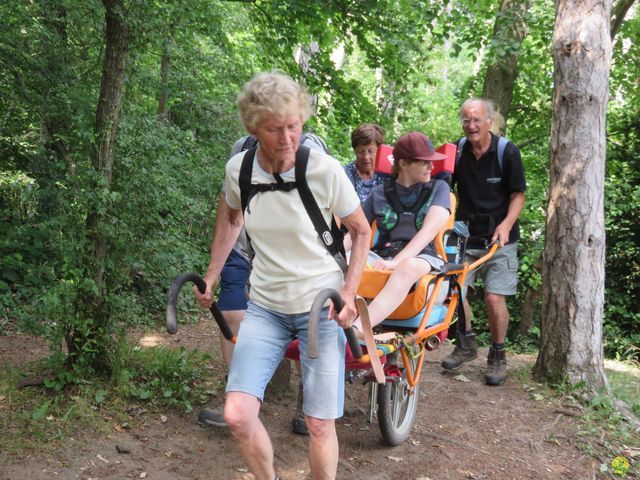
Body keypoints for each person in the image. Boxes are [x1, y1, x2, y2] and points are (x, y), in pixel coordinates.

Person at [195, 71, 370, 480]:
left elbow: (361, 231)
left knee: (319, 423)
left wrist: (349, 291)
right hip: (266, 306)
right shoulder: (240, 170)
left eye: (294, 126)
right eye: (275, 129)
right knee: (237, 415)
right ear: (253, 128)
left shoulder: (323, 170)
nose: (288, 138)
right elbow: (231, 217)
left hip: (321, 308)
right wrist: (212, 274)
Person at [197, 132, 330, 436]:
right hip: (243, 247)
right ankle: (238, 397)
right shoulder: (240, 149)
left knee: (302, 323)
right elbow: (229, 209)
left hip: (292, 256)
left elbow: (328, 209)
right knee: (231, 315)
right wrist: (212, 271)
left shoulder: (311, 148)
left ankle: (306, 399)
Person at [440, 98, 526, 386]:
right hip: (465, 233)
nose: (471, 125)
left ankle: (498, 354)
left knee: (493, 297)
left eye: (476, 120)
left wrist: (505, 224)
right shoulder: (458, 150)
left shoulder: (506, 152)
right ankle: (466, 343)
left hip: (501, 236)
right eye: (466, 120)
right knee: (454, 291)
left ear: (490, 122)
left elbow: (518, 195)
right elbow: (443, 189)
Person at [349, 131, 451, 332]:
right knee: (344, 259)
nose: (432, 166)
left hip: (424, 258)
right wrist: (330, 257)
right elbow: (355, 233)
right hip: (383, 254)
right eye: (425, 162)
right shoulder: (379, 193)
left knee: (407, 266)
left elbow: (428, 232)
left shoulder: (439, 188)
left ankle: (357, 330)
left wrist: (397, 262)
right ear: (403, 164)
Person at [344, 123, 390, 203]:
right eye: (361, 151)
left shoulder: (387, 172)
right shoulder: (345, 174)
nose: (366, 157)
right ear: (355, 151)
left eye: (370, 151)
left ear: (379, 151)